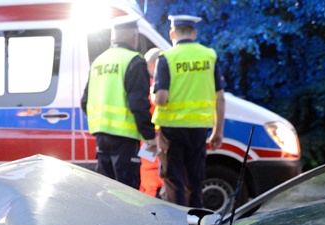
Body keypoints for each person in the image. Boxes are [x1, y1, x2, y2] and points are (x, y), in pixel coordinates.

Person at [151, 15, 225, 209]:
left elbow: (161, 98)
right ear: (194, 33)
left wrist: (153, 96)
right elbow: (221, 98)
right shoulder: (209, 56)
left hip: (172, 130)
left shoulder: (166, 57)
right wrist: (218, 132)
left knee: (174, 180)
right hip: (199, 129)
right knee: (195, 180)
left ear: (172, 33)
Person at [80, 16, 156, 189]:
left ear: (113, 37)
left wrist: (101, 122)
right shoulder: (134, 61)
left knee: (106, 191)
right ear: (134, 36)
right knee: (127, 192)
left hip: (101, 136)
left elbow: (85, 101)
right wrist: (149, 136)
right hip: (125, 139)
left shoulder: (99, 61)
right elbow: (138, 103)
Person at [139, 47, 163, 197]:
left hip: (151, 137)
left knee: (149, 173)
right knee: (152, 172)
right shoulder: (154, 85)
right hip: (154, 136)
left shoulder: (148, 85)